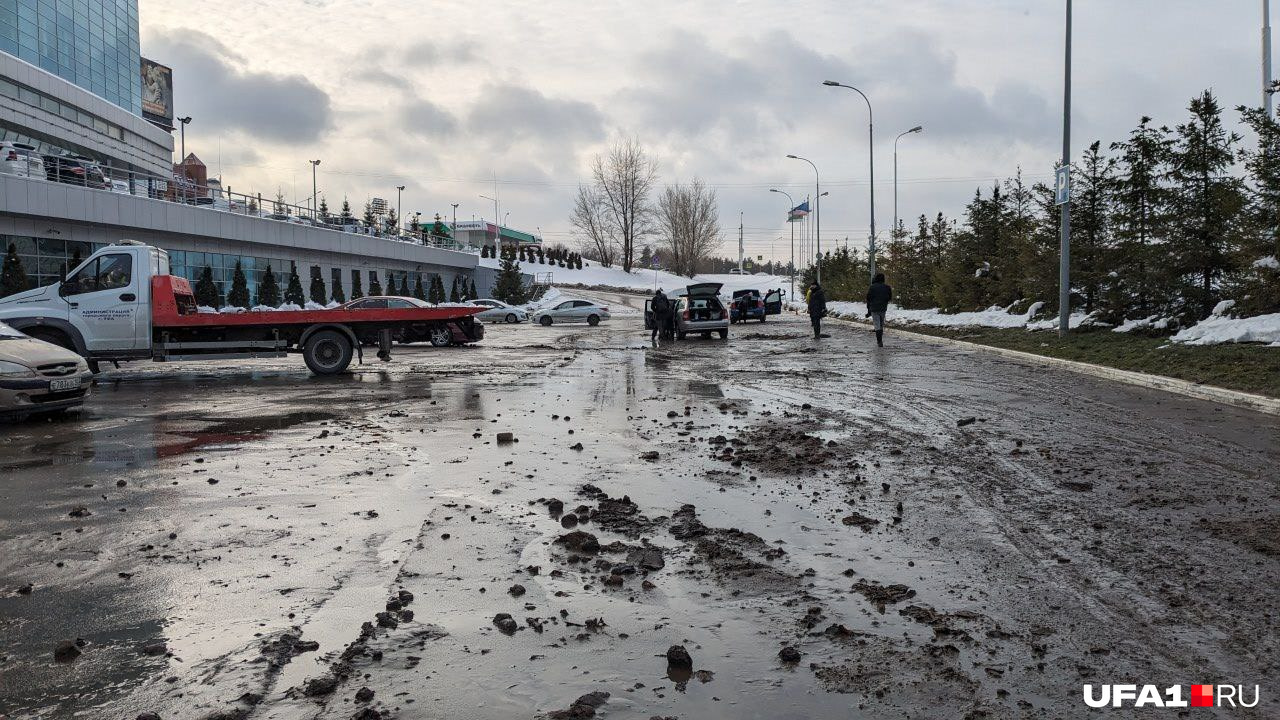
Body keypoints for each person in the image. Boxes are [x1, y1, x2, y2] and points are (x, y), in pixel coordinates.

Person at [865, 272, 892, 347]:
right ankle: (880, 339)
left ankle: (879, 341)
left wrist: (869, 309)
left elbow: (868, 298)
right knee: (881, 324)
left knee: (877, 324)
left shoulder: (872, 287)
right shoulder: (887, 287)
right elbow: (889, 297)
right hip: (883, 308)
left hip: (874, 308)